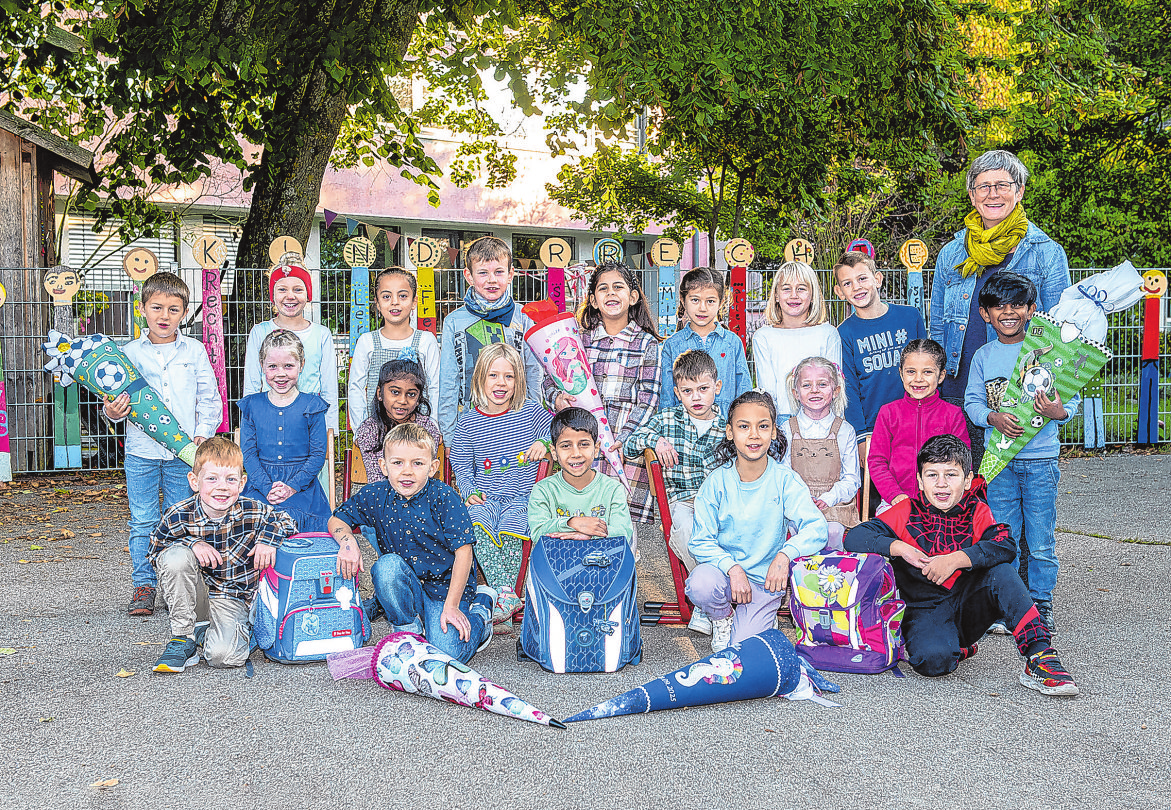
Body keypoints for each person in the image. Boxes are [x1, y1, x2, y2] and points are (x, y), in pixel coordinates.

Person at [844, 434, 1078, 695]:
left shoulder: (977, 510)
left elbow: (1005, 544)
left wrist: (954, 560)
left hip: (970, 603)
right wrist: (900, 548)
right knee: (932, 663)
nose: (941, 484)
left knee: (1002, 572)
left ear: (967, 480)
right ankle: (958, 647)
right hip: (925, 609)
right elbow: (854, 537)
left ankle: (1040, 656)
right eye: (932, 475)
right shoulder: (906, 510)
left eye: (951, 475)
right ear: (920, 481)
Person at [931, 149, 1072, 468]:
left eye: (1003, 185)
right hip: (959, 389)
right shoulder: (951, 254)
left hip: (1019, 395)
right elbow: (939, 327)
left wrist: (1046, 390)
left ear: (1019, 191)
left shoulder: (1046, 253)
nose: (993, 194)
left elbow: (1057, 327)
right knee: (961, 489)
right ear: (971, 195)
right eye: (984, 186)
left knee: (1012, 493)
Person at [103, 271, 222, 617]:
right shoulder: (127, 353)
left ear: (184, 313)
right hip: (140, 451)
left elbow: (209, 398)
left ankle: (176, 585)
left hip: (182, 454)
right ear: (142, 309)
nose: (164, 316)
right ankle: (144, 585)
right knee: (142, 520)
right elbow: (112, 402)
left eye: (173, 309)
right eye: (157, 307)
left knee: (178, 517)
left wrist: (202, 432)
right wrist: (112, 412)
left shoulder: (195, 350)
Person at [964, 272, 1078, 633]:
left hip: (1041, 461)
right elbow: (972, 403)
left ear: (1031, 310)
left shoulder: (1049, 353)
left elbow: (1070, 399)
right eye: (998, 306)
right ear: (985, 314)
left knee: (1041, 537)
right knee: (1004, 535)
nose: (1008, 312)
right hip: (999, 463)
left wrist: (1058, 413)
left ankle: (1040, 602)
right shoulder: (983, 356)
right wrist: (992, 417)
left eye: (1016, 305)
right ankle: (1008, 602)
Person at [331, 424, 496, 664]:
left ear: (433, 467)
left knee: (449, 653)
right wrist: (347, 542)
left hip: (446, 590)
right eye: (397, 463)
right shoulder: (376, 494)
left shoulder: (445, 497)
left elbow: (464, 552)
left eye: (417, 463)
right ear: (383, 466)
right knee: (387, 567)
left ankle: (481, 610)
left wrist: (451, 606)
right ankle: (406, 629)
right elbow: (338, 518)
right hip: (407, 585)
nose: (406, 471)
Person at [685, 391, 828, 653]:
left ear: (773, 431)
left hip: (765, 581)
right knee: (700, 583)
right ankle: (721, 617)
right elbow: (700, 541)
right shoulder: (716, 482)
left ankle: (762, 615)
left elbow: (817, 528)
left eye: (763, 426)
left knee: (743, 650)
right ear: (730, 432)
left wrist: (785, 555)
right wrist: (732, 568)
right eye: (743, 426)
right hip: (726, 576)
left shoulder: (785, 480)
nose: (754, 434)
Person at [149, 437, 297, 673]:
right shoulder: (178, 514)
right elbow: (155, 550)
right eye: (211, 479)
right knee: (175, 557)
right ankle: (183, 638)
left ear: (242, 483)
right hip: (198, 595)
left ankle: (209, 633)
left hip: (234, 596)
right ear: (194, 481)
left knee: (223, 657)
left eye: (230, 479)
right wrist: (192, 543)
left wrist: (267, 541)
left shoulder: (253, 510)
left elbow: (287, 521)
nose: (222, 487)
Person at [546, 261, 661, 525]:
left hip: (623, 449)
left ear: (632, 297)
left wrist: (624, 437)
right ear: (593, 301)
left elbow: (649, 399)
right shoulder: (578, 341)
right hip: (584, 446)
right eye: (603, 289)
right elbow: (550, 380)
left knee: (621, 525)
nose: (610, 293)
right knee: (582, 517)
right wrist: (558, 399)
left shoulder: (648, 344)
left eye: (618, 287)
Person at [449, 344, 551, 633]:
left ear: (518, 380)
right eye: (493, 375)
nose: (501, 383)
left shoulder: (530, 412)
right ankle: (504, 591)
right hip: (487, 497)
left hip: (523, 495)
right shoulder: (468, 421)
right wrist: (468, 490)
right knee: (476, 522)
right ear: (480, 378)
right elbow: (460, 461)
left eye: (509, 377)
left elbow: (555, 433)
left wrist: (543, 443)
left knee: (512, 526)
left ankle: (503, 595)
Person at [624, 349, 728, 635]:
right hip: (682, 500)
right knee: (682, 529)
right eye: (688, 390)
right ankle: (711, 600)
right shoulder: (667, 420)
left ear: (716, 387)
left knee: (736, 532)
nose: (696, 397)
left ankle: (713, 599)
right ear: (677, 392)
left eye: (703, 389)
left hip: (721, 503)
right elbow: (631, 443)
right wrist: (656, 440)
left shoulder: (728, 425)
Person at [437, 236, 543, 445]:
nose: (491, 280)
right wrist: (449, 436)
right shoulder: (454, 321)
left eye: (499, 272)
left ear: (511, 274)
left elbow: (534, 373)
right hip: (470, 428)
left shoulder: (524, 318)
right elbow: (448, 380)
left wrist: (533, 423)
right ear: (468, 276)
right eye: (483, 272)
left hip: (516, 425)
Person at [238, 330, 332, 533]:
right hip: (260, 485)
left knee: (293, 520)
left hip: (302, 488)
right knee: (251, 522)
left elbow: (317, 455)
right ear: (262, 366)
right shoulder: (252, 406)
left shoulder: (312, 406)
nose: (280, 373)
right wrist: (266, 488)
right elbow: (248, 455)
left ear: (302, 365)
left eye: (288, 366)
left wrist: (292, 487)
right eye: (272, 366)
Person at [834, 250, 926, 446]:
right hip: (874, 431)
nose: (856, 287)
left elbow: (929, 370)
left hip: (917, 422)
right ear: (839, 292)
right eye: (847, 283)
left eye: (862, 278)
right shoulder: (843, 334)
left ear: (877, 279)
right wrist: (860, 437)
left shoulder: (910, 317)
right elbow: (849, 389)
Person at [244, 264, 339, 450]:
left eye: (298, 289)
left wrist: (330, 429)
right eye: (282, 289)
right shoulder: (260, 332)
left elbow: (329, 387)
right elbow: (252, 383)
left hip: (310, 422)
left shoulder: (321, 334)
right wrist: (251, 427)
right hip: (269, 420)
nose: (290, 296)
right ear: (273, 296)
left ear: (308, 295)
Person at [868, 339, 970, 511]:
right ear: (901, 373)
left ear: (941, 375)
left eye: (927, 372)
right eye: (911, 371)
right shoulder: (888, 413)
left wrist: (942, 497)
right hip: (895, 502)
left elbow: (962, 463)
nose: (918, 379)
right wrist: (895, 496)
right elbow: (877, 462)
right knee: (884, 535)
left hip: (942, 503)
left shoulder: (953, 415)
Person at [780, 356, 860, 550]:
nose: (814, 390)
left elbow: (852, 479)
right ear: (796, 392)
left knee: (831, 531)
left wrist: (828, 498)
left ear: (835, 390)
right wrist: (802, 498)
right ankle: (800, 576)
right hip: (798, 503)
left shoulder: (845, 431)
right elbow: (782, 474)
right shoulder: (786, 430)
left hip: (835, 504)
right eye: (806, 385)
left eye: (822, 384)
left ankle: (831, 575)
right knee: (799, 531)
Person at [347, 267, 440, 431]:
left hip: (418, 434)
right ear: (377, 302)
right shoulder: (367, 342)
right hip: (377, 430)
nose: (395, 302)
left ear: (414, 301)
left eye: (403, 296)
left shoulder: (426, 341)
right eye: (386, 296)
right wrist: (360, 430)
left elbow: (435, 387)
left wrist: (433, 426)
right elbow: (356, 388)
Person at [528, 407, 634, 550]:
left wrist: (588, 535)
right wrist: (571, 523)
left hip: (603, 565)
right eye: (566, 446)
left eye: (584, 444)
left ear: (596, 449)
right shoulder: (543, 490)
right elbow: (537, 532)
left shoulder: (613, 489)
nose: (576, 453)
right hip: (558, 565)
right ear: (554, 452)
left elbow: (623, 533)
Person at [751, 260, 841, 424]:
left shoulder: (828, 333)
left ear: (812, 295)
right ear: (776, 295)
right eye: (786, 289)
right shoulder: (763, 336)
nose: (794, 295)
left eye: (801, 288)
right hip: (781, 418)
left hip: (822, 418)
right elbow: (767, 391)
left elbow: (833, 385)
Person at [658, 267, 750, 416]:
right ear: (683, 300)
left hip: (725, 430)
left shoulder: (732, 343)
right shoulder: (672, 345)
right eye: (695, 300)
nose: (702, 308)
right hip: (684, 431)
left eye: (710, 301)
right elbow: (667, 396)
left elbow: (744, 391)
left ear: (721, 302)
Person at [352, 357, 442, 483]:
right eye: (395, 392)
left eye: (411, 394)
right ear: (379, 393)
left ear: (419, 399)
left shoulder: (426, 428)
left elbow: (425, 476)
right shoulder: (369, 430)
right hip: (381, 498)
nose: (402, 401)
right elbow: (376, 480)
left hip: (420, 496)